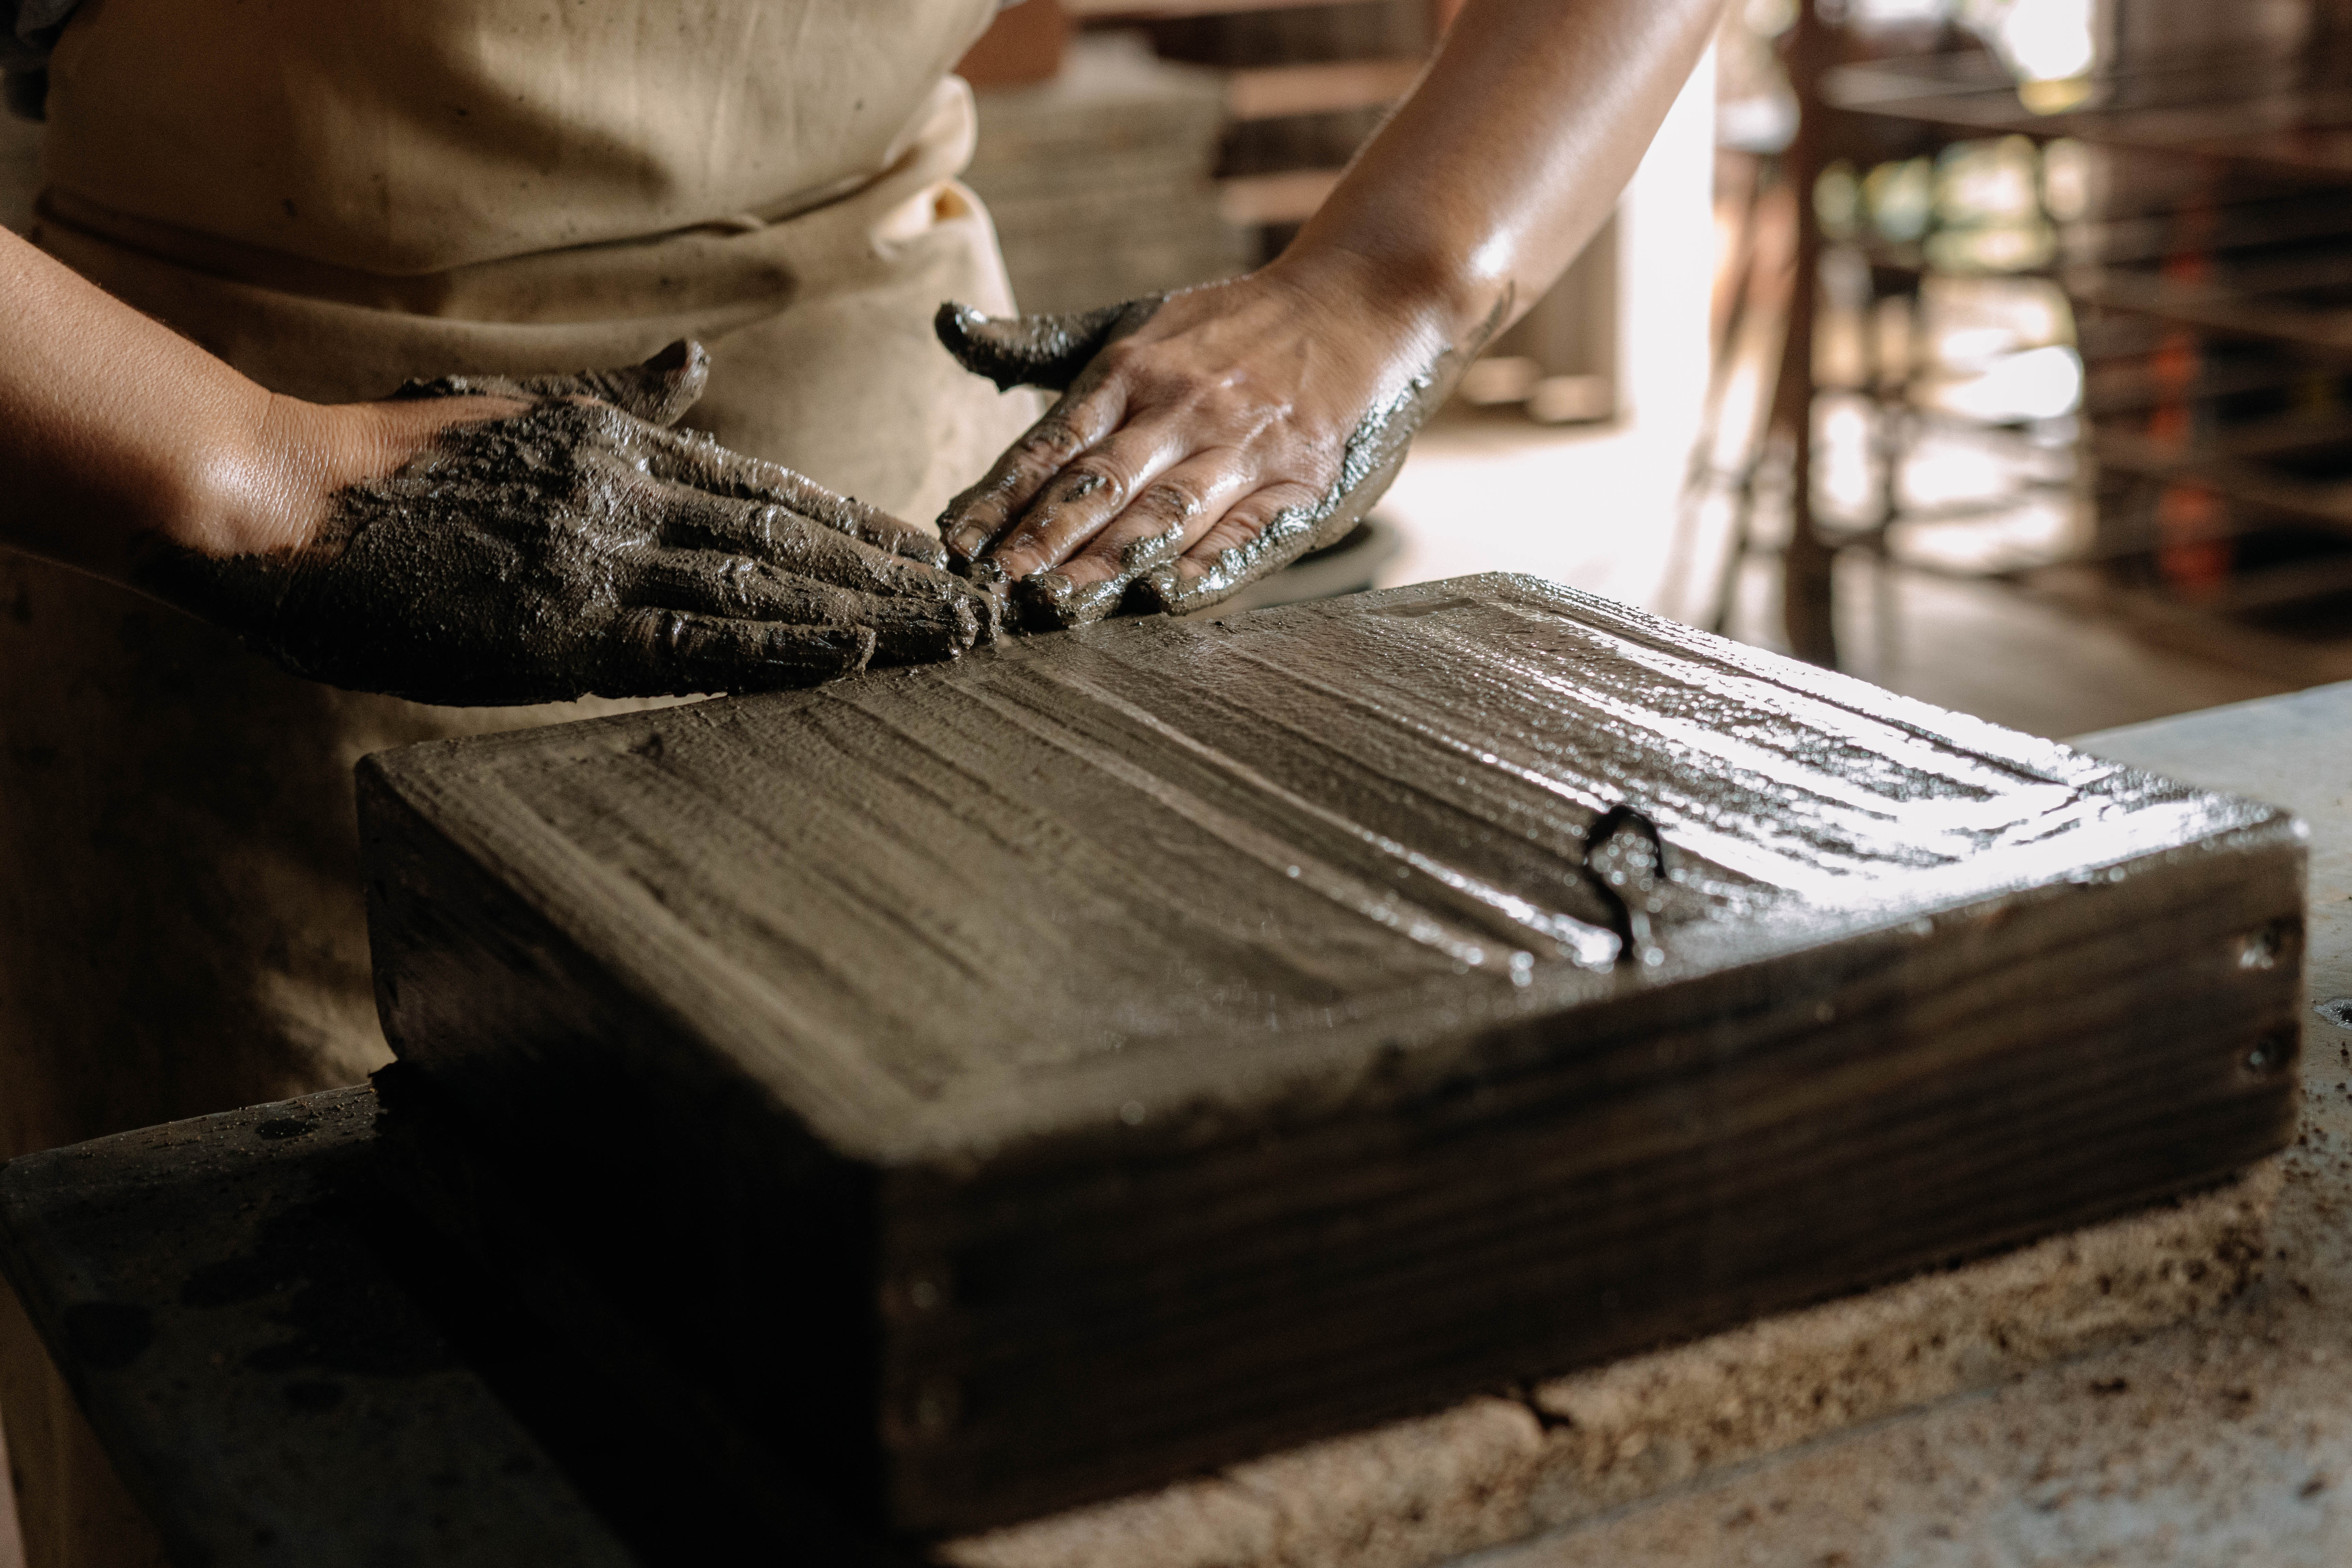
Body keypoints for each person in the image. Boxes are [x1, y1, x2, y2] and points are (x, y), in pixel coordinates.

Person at [0, 0, 1721, 1559]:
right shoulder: (223, 471)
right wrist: (242, 468)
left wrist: (1388, 281)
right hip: (207, 491)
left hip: (886, 471)